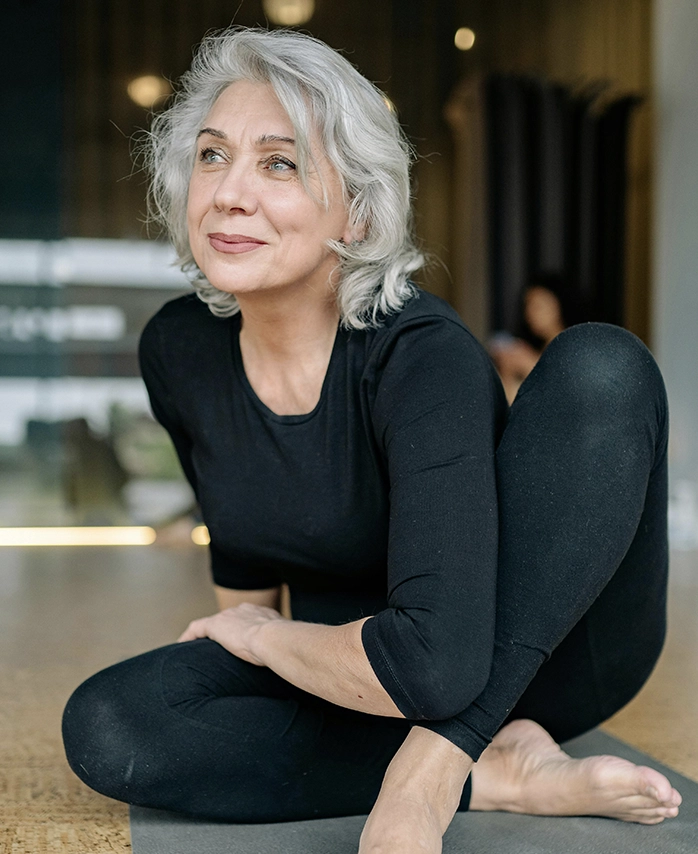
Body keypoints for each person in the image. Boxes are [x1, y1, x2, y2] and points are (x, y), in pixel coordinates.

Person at [61, 27, 681, 854]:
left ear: (356, 212)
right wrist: (246, 657)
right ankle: (495, 773)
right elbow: (243, 562)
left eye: (279, 164)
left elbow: (435, 662)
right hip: (359, 666)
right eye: (212, 156)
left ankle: (435, 767)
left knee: (603, 367)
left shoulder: (422, 355)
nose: (230, 193)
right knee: (110, 723)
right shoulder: (179, 348)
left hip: (535, 653)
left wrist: (268, 641)